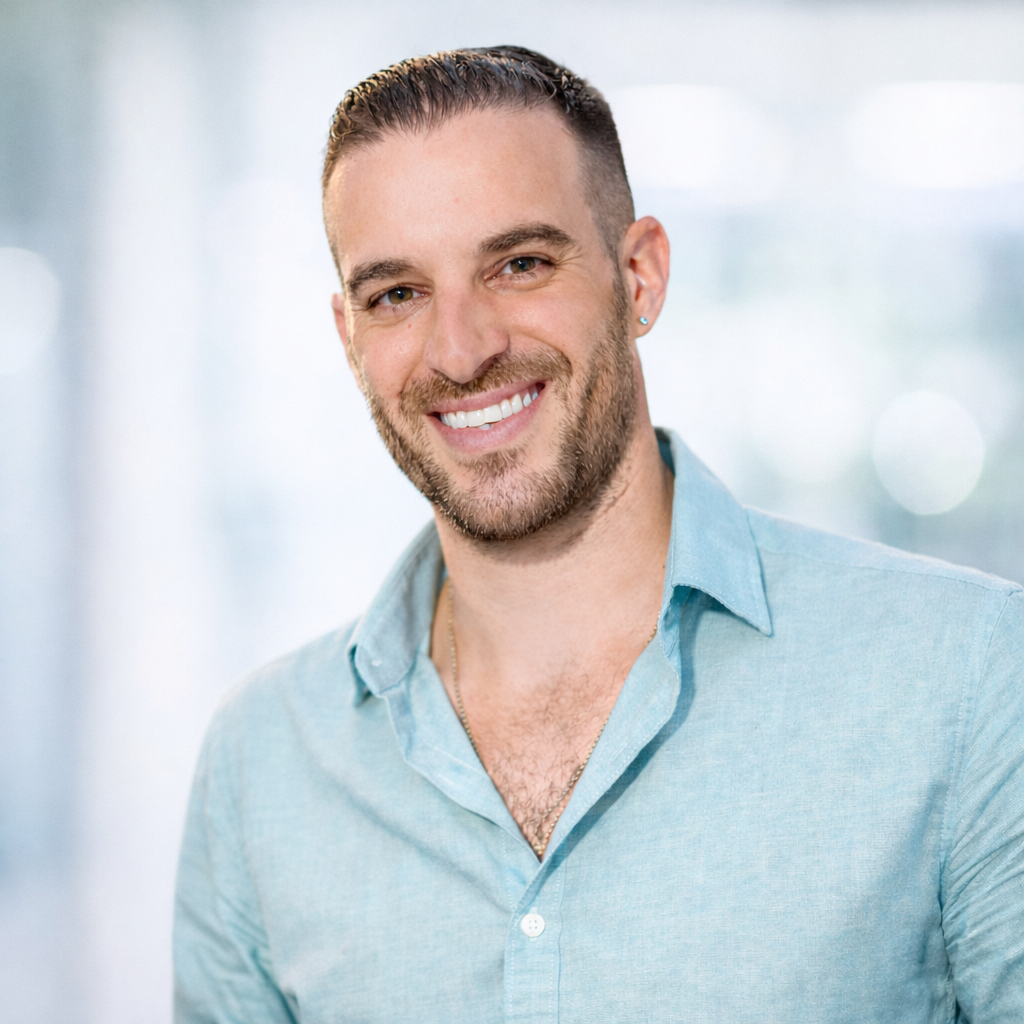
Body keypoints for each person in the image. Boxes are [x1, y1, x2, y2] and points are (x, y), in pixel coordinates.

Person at [173, 46, 1024, 1022]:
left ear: (640, 275)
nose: (462, 348)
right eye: (397, 294)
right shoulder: (261, 764)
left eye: (519, 264)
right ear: (350, 336)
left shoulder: (965, 677)